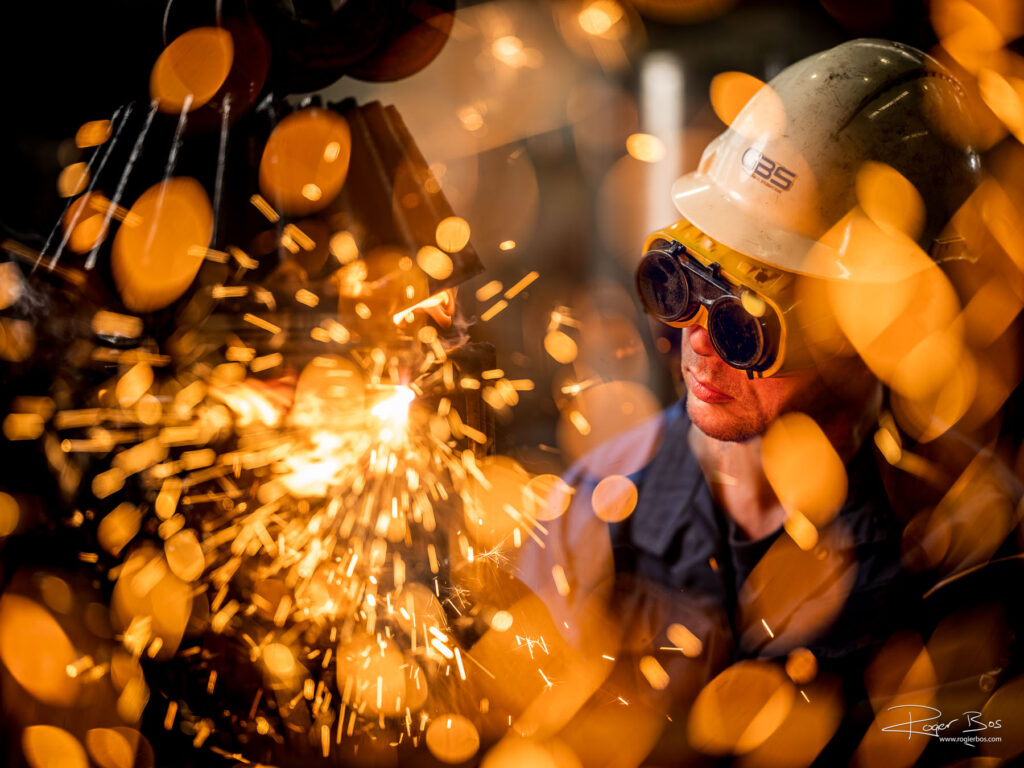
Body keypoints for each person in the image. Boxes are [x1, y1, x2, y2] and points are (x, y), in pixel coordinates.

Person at [495, 38, 1004, 766]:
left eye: (744, 324)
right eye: (683, 286)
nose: (698, 340)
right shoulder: (594, 512)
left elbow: (982, 734)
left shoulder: (958, 552)